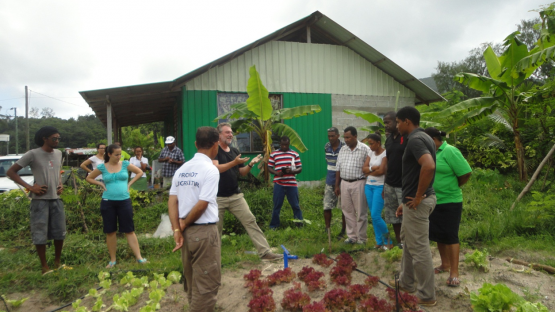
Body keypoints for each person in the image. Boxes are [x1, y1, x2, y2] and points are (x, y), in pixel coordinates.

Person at [168, 127, 221, 312]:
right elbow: (202, 204)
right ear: (216, 145)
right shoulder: (211, 170)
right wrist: (184, 223)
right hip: (204, 232)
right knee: (206, 285)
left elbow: (172, 201)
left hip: (186, 233)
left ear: (195, 144)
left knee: (191, 281)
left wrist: (177, 228)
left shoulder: (182, 170)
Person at [213, 123, 283, 261]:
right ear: (219, 135)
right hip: (217, 198)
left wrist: (251, 164)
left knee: (250, 221)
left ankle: (265, 252)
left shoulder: (233, 151)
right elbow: (216, 169)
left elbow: (242, 173)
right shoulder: (214, 151)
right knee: (215, 229)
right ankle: (214, 259)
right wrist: (234, 163)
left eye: (231, 132)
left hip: (235, 196)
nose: (230, 135)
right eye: (227, 132)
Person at [393, 106, 437, 307]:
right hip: (412, 202)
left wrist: (418, 197)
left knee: (419, 249)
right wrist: (405, 201)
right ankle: (407, 282)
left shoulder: (416, 140)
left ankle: (427, 296)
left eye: (398, 122)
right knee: (409, 242)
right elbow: (416, 171)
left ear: (407, 122)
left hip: (419, 202)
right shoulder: (425, 137)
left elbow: (428, 165)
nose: (396, 125)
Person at [7, 126, 65, 275]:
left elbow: (58, 170)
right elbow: (11, 172)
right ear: (44, 139)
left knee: (60, 231)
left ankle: (57, 262)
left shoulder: (58, 153)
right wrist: (30, 187)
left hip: (56, 199)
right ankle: (44, 267)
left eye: (58, 138)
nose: (57, 141)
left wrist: (60, 184)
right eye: (54, 138)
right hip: (40, 201)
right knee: (40, 233)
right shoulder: (32, 154)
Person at [86, 144, 148, 268]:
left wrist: (129, 184)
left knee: (129, 230)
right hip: (108, 202)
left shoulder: (125, 164)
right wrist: (100, 184)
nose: (119, 156)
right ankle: (113, 260)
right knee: (110, 231)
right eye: (116, 154)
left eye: (120, 154)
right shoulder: (102, 167)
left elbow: (139, 172)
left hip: (124, 201)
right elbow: (89, 178)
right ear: (109, 154)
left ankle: (139, 258)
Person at [424, 127, 471, 288]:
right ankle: (445, 264)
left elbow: (465, 173)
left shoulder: (450, 151)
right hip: (433, 200)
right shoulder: (429, 153)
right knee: (438, 234)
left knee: (450, 236)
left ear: (432, 139)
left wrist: (454, 186)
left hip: (450, 200)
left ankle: (454, 272)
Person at [335, 126, 370, 245]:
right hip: (344, 183)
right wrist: (337, 185)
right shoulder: (343, 149)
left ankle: (362, 238)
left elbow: (369, 167)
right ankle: (351, 237)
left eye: (348, 137)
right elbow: (338, 168)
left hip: (359, 182)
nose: (346, 140)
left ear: (355, 136)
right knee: (347, 210)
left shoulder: (365, 149)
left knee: (360, 212)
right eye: (345, 137)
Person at [268, 136, 304, 229]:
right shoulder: (274, 154)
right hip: (279, 184)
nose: (284, 146)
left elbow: (300, 168)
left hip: (291, 184)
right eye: (283, 145)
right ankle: (274, 226)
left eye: (286, 145)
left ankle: (299, 224)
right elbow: (269, 167)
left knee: (295, 205)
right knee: (277, 206)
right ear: (280, 144)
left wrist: (292, 171)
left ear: (289, 144)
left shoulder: (294, 154)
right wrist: (277, 173)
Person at [362, 133, 390, 250]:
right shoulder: (370, 153)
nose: (370, 146)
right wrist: (372, 169)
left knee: (375, 215)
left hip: (380, 186)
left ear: (378, 143)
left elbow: (382, 171)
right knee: (373, 216)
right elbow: (364, 169)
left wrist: (369, 171)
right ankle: (379, 241)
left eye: (372, 143)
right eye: (369, 143)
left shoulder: (385, 153)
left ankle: (388, 241)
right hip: (369, 186)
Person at [383, 111, 407, 247]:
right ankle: (400, 242)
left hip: (403, 185)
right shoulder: (389, 139)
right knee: (393, 217)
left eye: (388, 122)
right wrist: (384, 183)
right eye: (384, 123)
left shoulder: (406, 138)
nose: (386, 125)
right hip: (390, 184)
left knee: (404, 217)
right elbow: (388, 161)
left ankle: (406, 242)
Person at [324, 127, 346, 239]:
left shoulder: (344, 147)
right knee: (327, 206)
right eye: (329, 136)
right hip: (329, 180)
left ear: (338, 135)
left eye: (332, 135)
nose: (330, 138)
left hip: (342, 180)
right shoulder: (327, 146)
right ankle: (327, 229)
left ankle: (343, 231)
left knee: (344, 207)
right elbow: (328, 162)